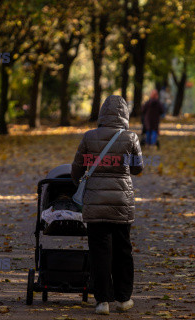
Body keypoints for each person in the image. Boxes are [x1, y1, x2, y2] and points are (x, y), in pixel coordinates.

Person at [71, 95, 144, 315]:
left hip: (95, 204)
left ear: (102, 114)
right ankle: (123, 299)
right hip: (122, 203)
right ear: (125, 115)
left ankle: (102, 301)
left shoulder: (89, 137)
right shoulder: (130, 138)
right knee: (123, 250)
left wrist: (84, 185)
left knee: (99, 251)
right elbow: (138, 168)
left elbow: (76, 169)